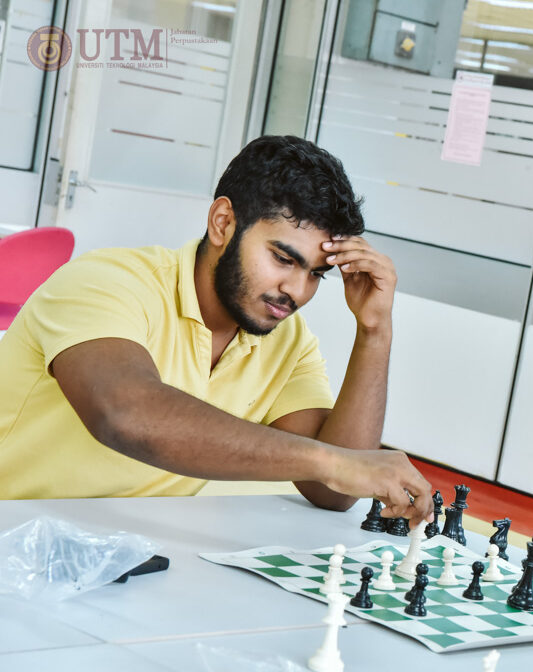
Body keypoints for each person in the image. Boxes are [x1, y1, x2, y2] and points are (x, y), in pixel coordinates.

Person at [0, 135, 431, 524]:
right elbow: (124, 414)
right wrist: (334, 462)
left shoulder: (287, 340)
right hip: (14, 541)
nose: (297, 291)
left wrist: (374, 330)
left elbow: (334, 492)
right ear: (223, 222)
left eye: (317, 274)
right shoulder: (107, 281)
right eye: (284, 259)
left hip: (125, 556)